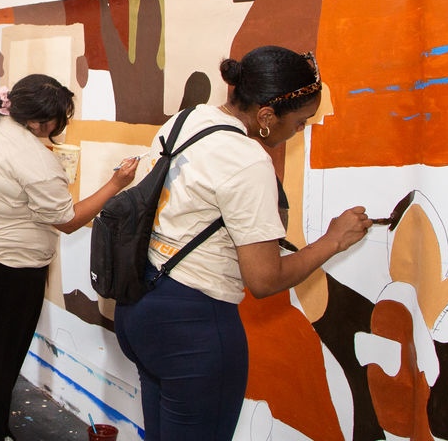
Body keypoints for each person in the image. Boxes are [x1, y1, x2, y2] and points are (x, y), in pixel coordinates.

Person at [113, 46, 372, 440]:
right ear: (266, 116)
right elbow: (264, 280)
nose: (300, 131)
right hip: (193, 328)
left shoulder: (186, 120)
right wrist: (332, 241)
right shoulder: (247, 159)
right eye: (301, 122)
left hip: (141, 308)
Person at [0, 74, 138, 435]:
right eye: (61, 120)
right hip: (6, 266)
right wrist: (116, 184)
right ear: (39, 122)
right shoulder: (33, 156)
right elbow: (67, 219)